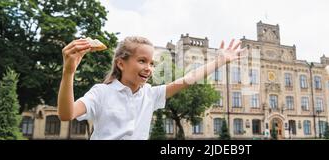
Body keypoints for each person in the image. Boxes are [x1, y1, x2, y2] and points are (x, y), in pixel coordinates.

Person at [57, 36, 246, 140]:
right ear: (121, 64)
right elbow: (67, 114)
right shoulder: (101, 92)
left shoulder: (150, 94)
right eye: (142, 61)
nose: (149, 68)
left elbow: (189, 78)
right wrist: (68, 73)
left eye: (151, 63)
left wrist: (219, 61)